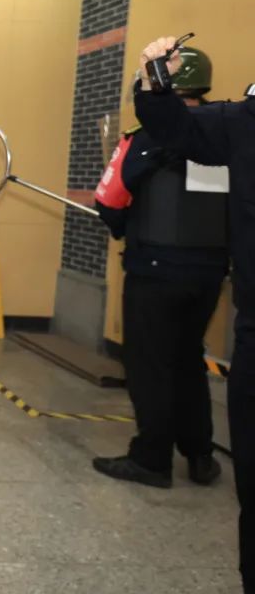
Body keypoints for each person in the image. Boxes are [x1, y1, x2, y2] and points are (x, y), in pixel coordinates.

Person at [134, 35, 255, 594]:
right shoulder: (238, 122)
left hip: (162, 270)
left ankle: (163, 454)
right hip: (228, 299)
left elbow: (118, 192)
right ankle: (200, 454)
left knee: (163, 366)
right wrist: (153, 81)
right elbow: (173, 125)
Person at [92, 46, 227, 488]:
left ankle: (151, 460)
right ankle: (200, 456)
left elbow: (109, 199)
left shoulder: (145, 136)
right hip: (210, 274)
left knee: (150, 365)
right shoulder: (226, 133)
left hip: (154, 271)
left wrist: (122, 227)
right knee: (189, 359)